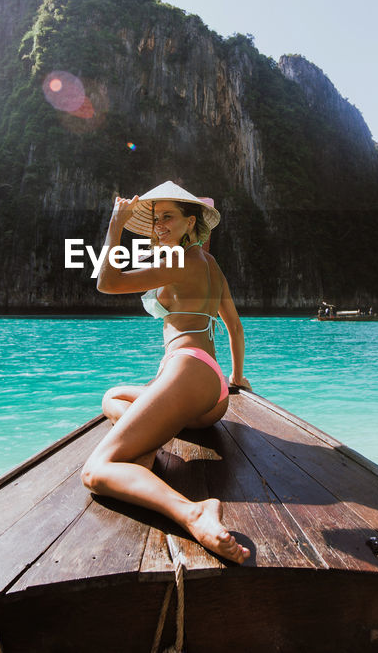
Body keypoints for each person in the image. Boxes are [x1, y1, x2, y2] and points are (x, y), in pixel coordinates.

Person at [80, 181, 251, 563]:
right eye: (156, 219)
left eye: (168, 218)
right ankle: (148, 438)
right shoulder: (209, 264)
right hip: (213, 394)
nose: (159, 226)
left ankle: (193, 511)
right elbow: (234, 327)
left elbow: (107, 282)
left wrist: (115, 226)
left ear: (191, 223)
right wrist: (237, 378)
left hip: (186, 371)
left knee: (96, 471)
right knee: (113, 397)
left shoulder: (179, 262)